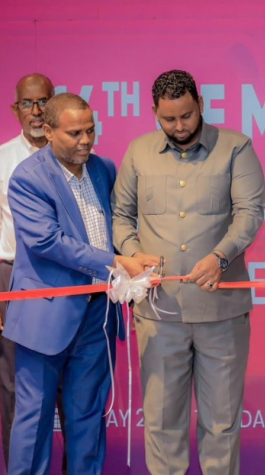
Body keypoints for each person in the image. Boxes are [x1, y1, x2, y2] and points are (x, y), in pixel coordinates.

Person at [112, 70, 265, 474]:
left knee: (221, 423)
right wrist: (132, 254)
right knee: (163, 424)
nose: (179, 126)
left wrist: (220, 256)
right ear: (154, 113)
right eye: (168, 119)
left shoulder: (235, 147)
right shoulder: (138, 152)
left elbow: (249, 214)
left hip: (222, 312)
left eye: (186, 116)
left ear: (200, 104)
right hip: (158, 314)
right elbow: (121, 217)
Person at [3, 93, 151, 474]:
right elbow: (47, 241)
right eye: (74, 133)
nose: (86, 140)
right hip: (44, 316)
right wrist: (115, 261)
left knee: (87, 418)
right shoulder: (27, 178)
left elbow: (118, 225)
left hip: (97, 315)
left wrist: (136, 256)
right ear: (48, 131)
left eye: (90, 130)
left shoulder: (104, 168)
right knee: (33, 420)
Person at [0, 73, 66, 471]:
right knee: (16, 388)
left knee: (71, 389)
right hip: (13, 280)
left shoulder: (78, 152)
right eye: (28, 103)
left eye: (44, 101)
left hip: (69, 282)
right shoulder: (2, 159)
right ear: (16, 109)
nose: (37, 111)